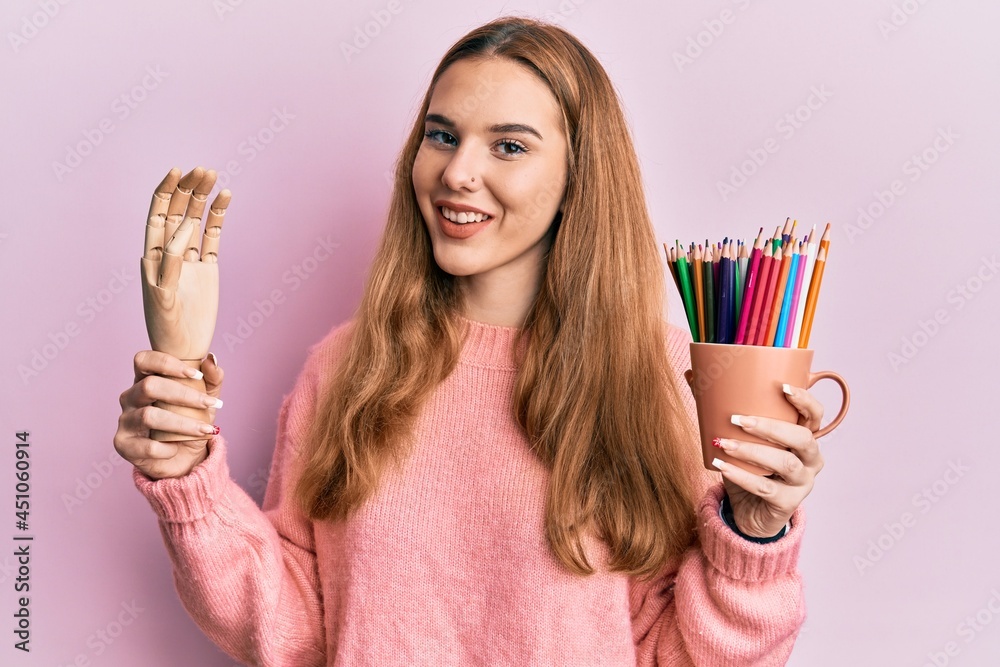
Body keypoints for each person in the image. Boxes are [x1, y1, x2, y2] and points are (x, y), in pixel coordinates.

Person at [114, 16, 827, 666]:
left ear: (579, 173)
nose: (457, 172)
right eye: (442, 134)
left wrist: (755, 532)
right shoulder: (347, 367)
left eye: (508, 145)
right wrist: (187, 480)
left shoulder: (673, 380)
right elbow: (296, 631)